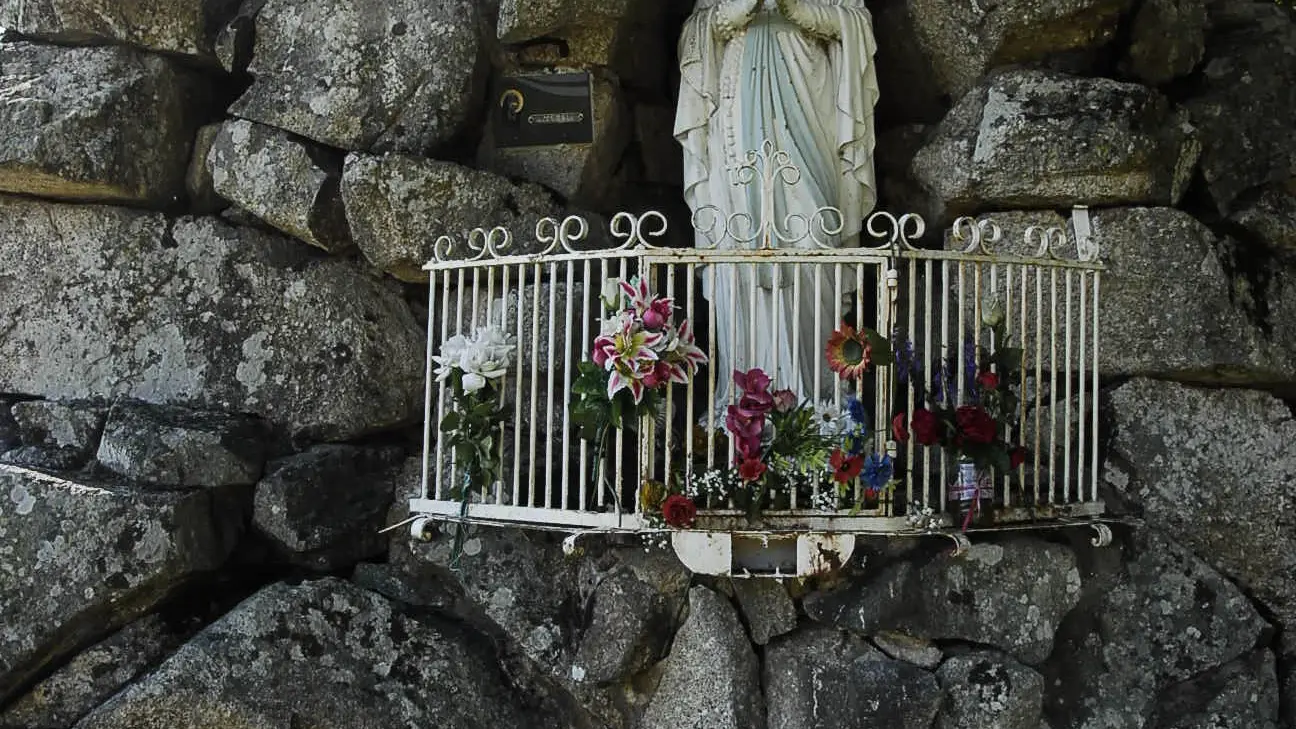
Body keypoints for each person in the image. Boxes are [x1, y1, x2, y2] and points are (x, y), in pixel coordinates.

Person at [675, 0, 880, 406]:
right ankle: (746, 400)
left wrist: (799, 10)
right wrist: (736, 10)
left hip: (808, 94)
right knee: (737, 235)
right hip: (734, 102)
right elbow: (695, 33)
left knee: (815, 230)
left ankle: (820, 396)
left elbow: (855, 22)